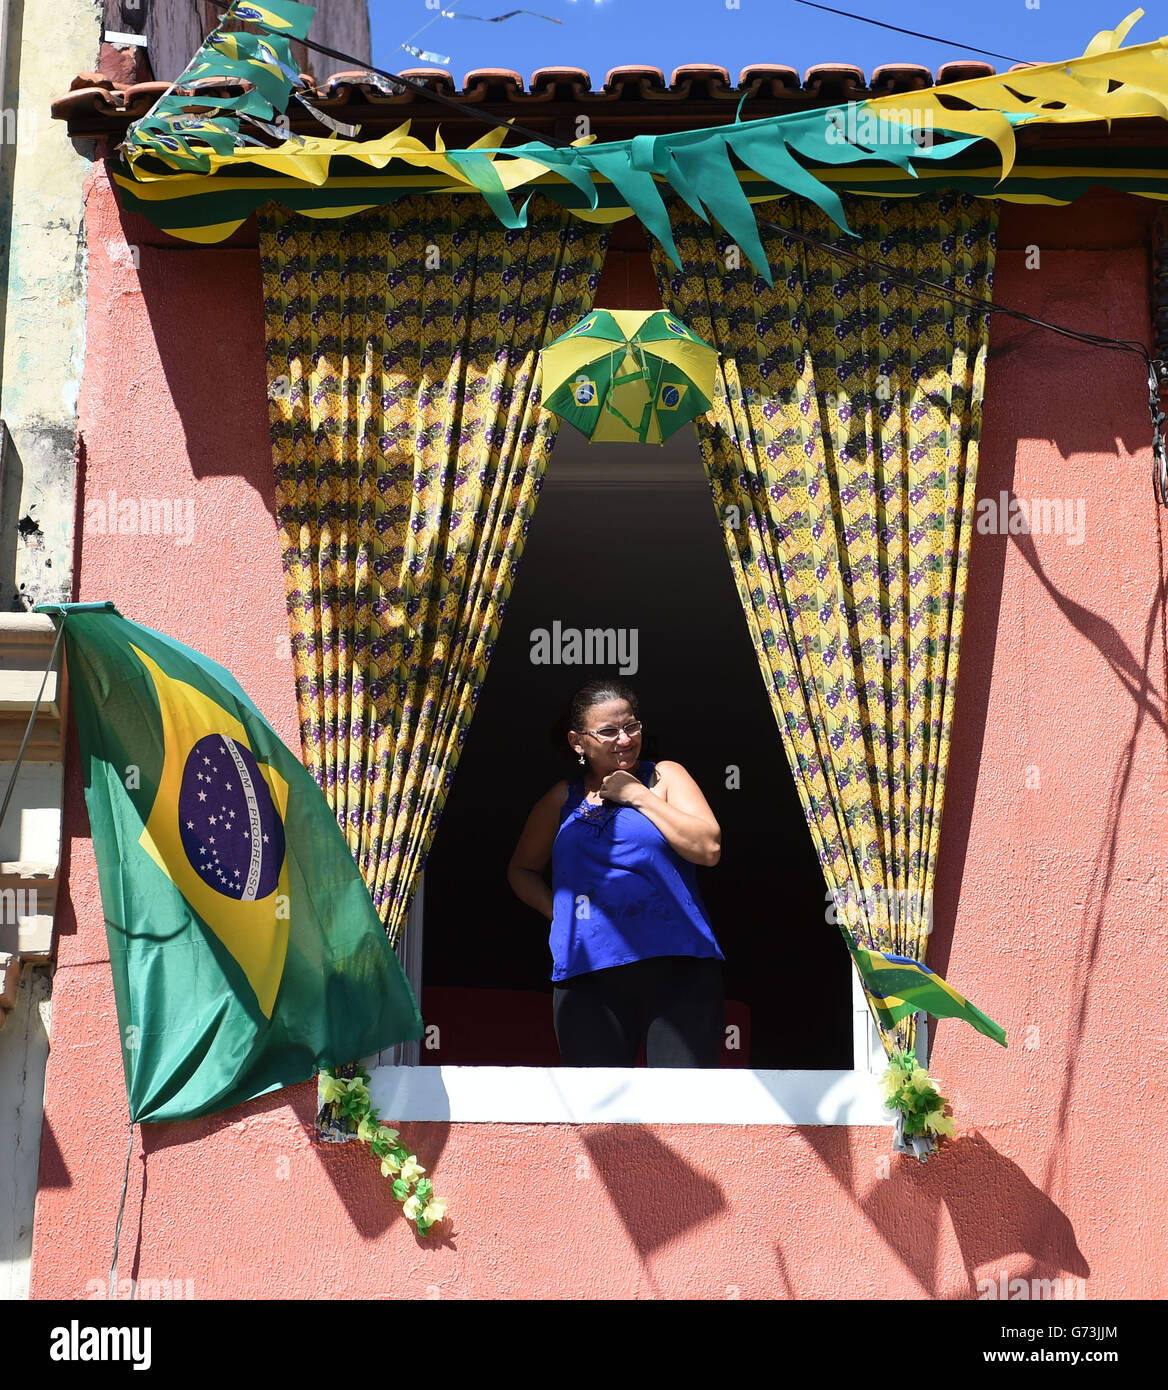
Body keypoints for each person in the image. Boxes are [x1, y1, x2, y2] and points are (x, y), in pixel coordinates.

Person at [506, 678, 726, 1067]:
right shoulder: (563, 797)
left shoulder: (665, 777)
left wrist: (637, 795)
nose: (624, 739)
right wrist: (560, 913)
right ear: (578, 741)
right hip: (588, 967)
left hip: (678, 963)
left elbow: (708, 848)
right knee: (598, 1112)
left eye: (632, 726)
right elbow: (522, 870)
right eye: (609, 731)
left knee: (685, 1104)